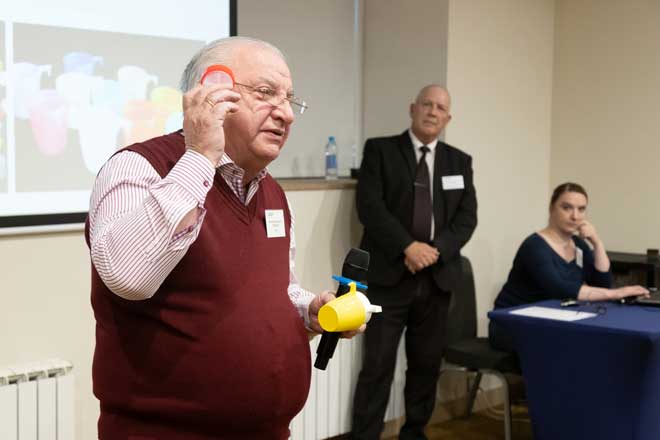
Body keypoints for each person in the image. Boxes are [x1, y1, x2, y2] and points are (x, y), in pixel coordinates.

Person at [85, 36, 359, 440]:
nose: (286, 113)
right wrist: (199, 156)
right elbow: (128, 277)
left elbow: (276, 289)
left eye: (289, 99)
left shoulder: (271, 192)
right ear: (212, 93)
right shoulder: (139, 167)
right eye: (265, 93)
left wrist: (308, 311)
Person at [351, 85, 477, 440]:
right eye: (427, 104)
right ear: (412, 109)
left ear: (448, 118)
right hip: (388, 277)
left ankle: (414, 433)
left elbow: (466, 219)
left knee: (425, 366)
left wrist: (433, 250)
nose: (433, 112)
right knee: (377, 367)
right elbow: (370, 208)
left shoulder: (459, 162)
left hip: (437, 280)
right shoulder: (380, 151)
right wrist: (407, 247)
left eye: (440, 108)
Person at [489, 182, 649, 352]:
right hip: (513, 324)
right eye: (567, 208)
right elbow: (559, 288)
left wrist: (597, 242)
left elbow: (602, 283)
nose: (575, 216)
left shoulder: (579, 245)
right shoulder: (534, 246)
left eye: (581, 209)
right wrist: (617, 293)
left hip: (552, 321)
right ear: (552, 209)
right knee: (583, 346)